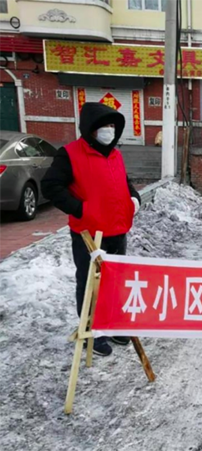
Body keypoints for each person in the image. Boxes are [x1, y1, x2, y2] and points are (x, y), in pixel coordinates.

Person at [42, 102, 141, 357]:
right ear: (90, 128)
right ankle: (92, 333)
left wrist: (133, 198)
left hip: (117, 229)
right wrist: (81, 209)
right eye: (103, 126)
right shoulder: (70, 154)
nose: (109, 130)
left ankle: (113, 325)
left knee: (115, 281)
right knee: (89, 284)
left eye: (112, 126)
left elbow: (123, 181)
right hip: (89, 233)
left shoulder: (115, 154)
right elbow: (51, 186)